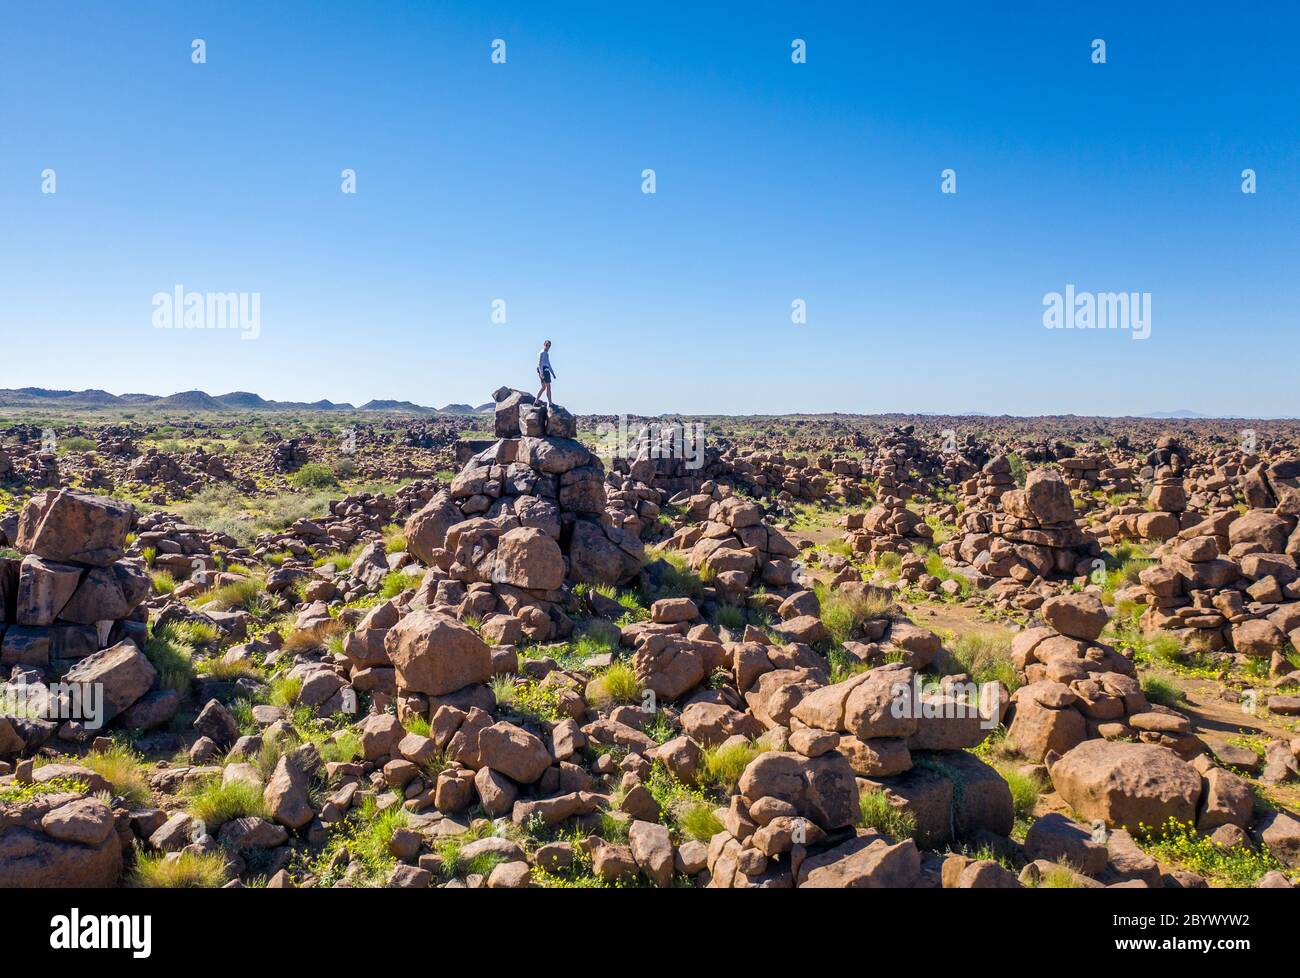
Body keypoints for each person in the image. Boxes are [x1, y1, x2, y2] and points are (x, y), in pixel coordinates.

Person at [536, 340, 556, 406]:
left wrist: (553, 373)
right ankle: (550, 403)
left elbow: (548, 363)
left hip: (544, 369)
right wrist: (541, 373)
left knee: (544, 387)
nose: (548, 347)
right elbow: (539, 363)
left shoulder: (546, 353)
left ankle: (536, 402)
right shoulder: (542, 352)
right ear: (544, 344)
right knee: (548, 387)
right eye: (546, 345)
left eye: (549, 346)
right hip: (543, 370)